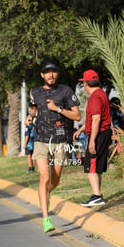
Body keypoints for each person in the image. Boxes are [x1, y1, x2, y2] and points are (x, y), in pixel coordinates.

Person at [26, 58, 81, 233]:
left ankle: (45, 195)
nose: (51, 74)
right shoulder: (35, 92)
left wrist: (58, 109)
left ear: (57, 73)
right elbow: (34, 108)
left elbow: (77, 116)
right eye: (48, 72)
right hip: (41, 140)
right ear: (42, 74)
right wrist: (31, 116)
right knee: (44, 177)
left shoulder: (65, 91)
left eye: (54, 71)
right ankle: (45, 218)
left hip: (59, 140)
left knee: (55, 180)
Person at [73, 69, 112, 207]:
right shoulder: (101, 94)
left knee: (91, 167)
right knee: (96, 168)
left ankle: (96, 196)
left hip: (99, 134)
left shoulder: (95, 97)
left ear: (86, 83)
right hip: (103, 132)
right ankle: (97, 194)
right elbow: (94, 119)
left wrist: (92, 141)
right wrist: (82, 129)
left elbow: (96, 120)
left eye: (83, 82)